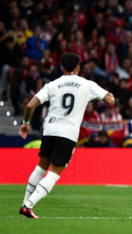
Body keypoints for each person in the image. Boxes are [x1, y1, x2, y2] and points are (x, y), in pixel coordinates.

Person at [18, 53, 115, 218]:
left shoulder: (52, 85)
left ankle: (25, 203)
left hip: (49, 129)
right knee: (55, 171)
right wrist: (109, 94)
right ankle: (28, 205)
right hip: (67, 133)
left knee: (41, 167)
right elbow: (109, 100)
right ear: (78, 68)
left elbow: (30, 105)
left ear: (61, 67)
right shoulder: (86, 84)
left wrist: (26, 122)